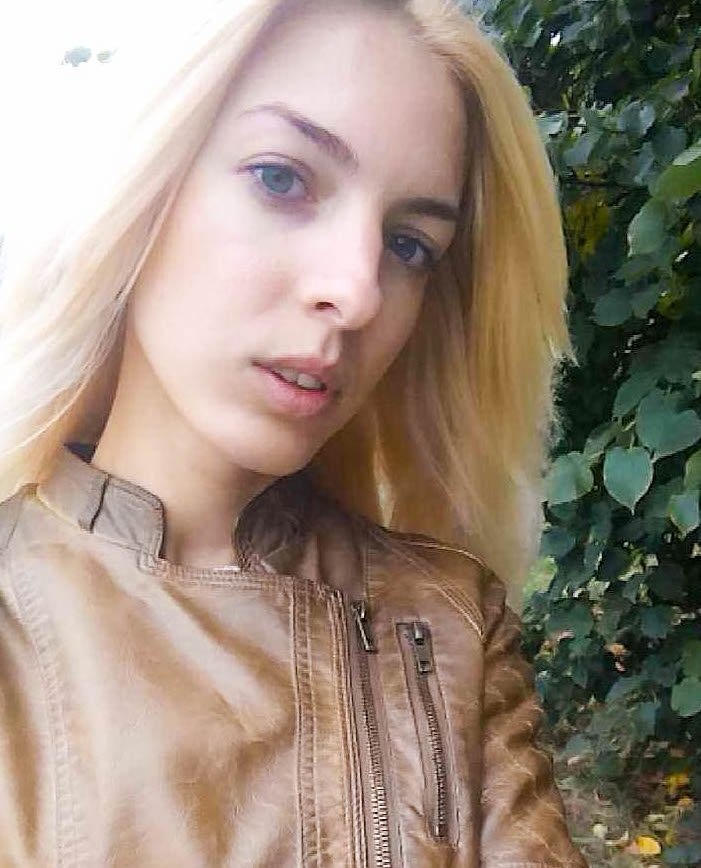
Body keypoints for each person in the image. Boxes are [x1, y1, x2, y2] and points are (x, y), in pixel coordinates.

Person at [0, 0, 586, 865]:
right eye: (281, 178)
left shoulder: (450, 623)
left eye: (409, 245)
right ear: (143, 184)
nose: (357, 292)